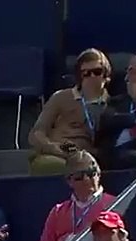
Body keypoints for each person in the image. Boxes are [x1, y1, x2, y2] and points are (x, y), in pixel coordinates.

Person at [27, 48, 111, 176]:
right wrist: (53, 148)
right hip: (57, 153)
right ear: (79, 76)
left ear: (106, 75)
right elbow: (36, 133)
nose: (92, 77)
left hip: (86, 157)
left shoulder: (112, 104)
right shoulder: (61, 97)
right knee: (55, 166)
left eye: (97, 72)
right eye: (86, 73)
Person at [33, 151, 115, 241]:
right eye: (79, 177)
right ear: (69, 181)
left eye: (91, 173)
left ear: (99, 174)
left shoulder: (113, 204)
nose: (87, 180)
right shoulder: (58, 211)